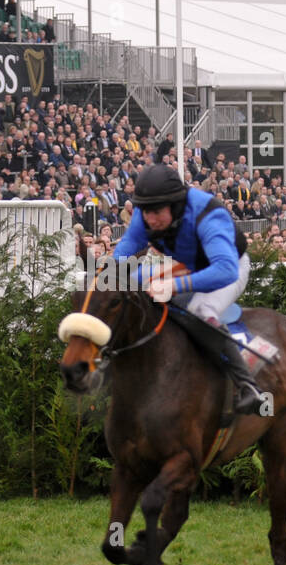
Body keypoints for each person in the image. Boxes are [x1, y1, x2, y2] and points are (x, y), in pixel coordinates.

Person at [111, 164, 266, 415]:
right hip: (188, 266)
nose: (149, 219)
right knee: (130, 284)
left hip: (229, 268)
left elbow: (225, 270)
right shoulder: (149, 209)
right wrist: (105, 275)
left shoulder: (207, 215)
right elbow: (129, 245)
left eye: (156, 212)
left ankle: (247, 385)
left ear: (175, 204)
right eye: (145, 211)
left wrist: (174, 286)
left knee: (201, 309)